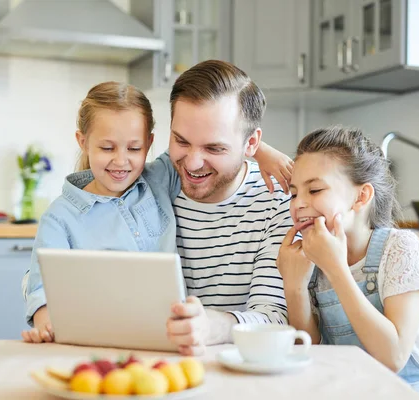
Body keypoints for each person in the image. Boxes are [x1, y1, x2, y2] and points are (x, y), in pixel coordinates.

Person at [21, 81, 291, 343]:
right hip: (97, 339)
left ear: (148, 144)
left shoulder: (157, 179)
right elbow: (39, 286)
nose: (120, 160)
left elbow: (215, 138)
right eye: (106, 148)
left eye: (134, 148)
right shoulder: (60, 216)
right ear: (83, 142)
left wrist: (259, 151)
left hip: (165, 339)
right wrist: (47, 325)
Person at [277, 126, 419, 398]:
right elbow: (311, 351)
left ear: (361, 196)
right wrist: (294, 286)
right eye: (294, 193)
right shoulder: (312, 255)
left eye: (315, 189)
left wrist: (336, 269)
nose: (299, 204)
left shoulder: (400, 248)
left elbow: (394, 357)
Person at [165, 60, 295, 356]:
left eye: (214, 148)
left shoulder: (278, 204)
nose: (193, 163)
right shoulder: (153, 187)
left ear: (251, 144)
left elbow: (274, 317)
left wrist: (209, 327)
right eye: (181, 141)